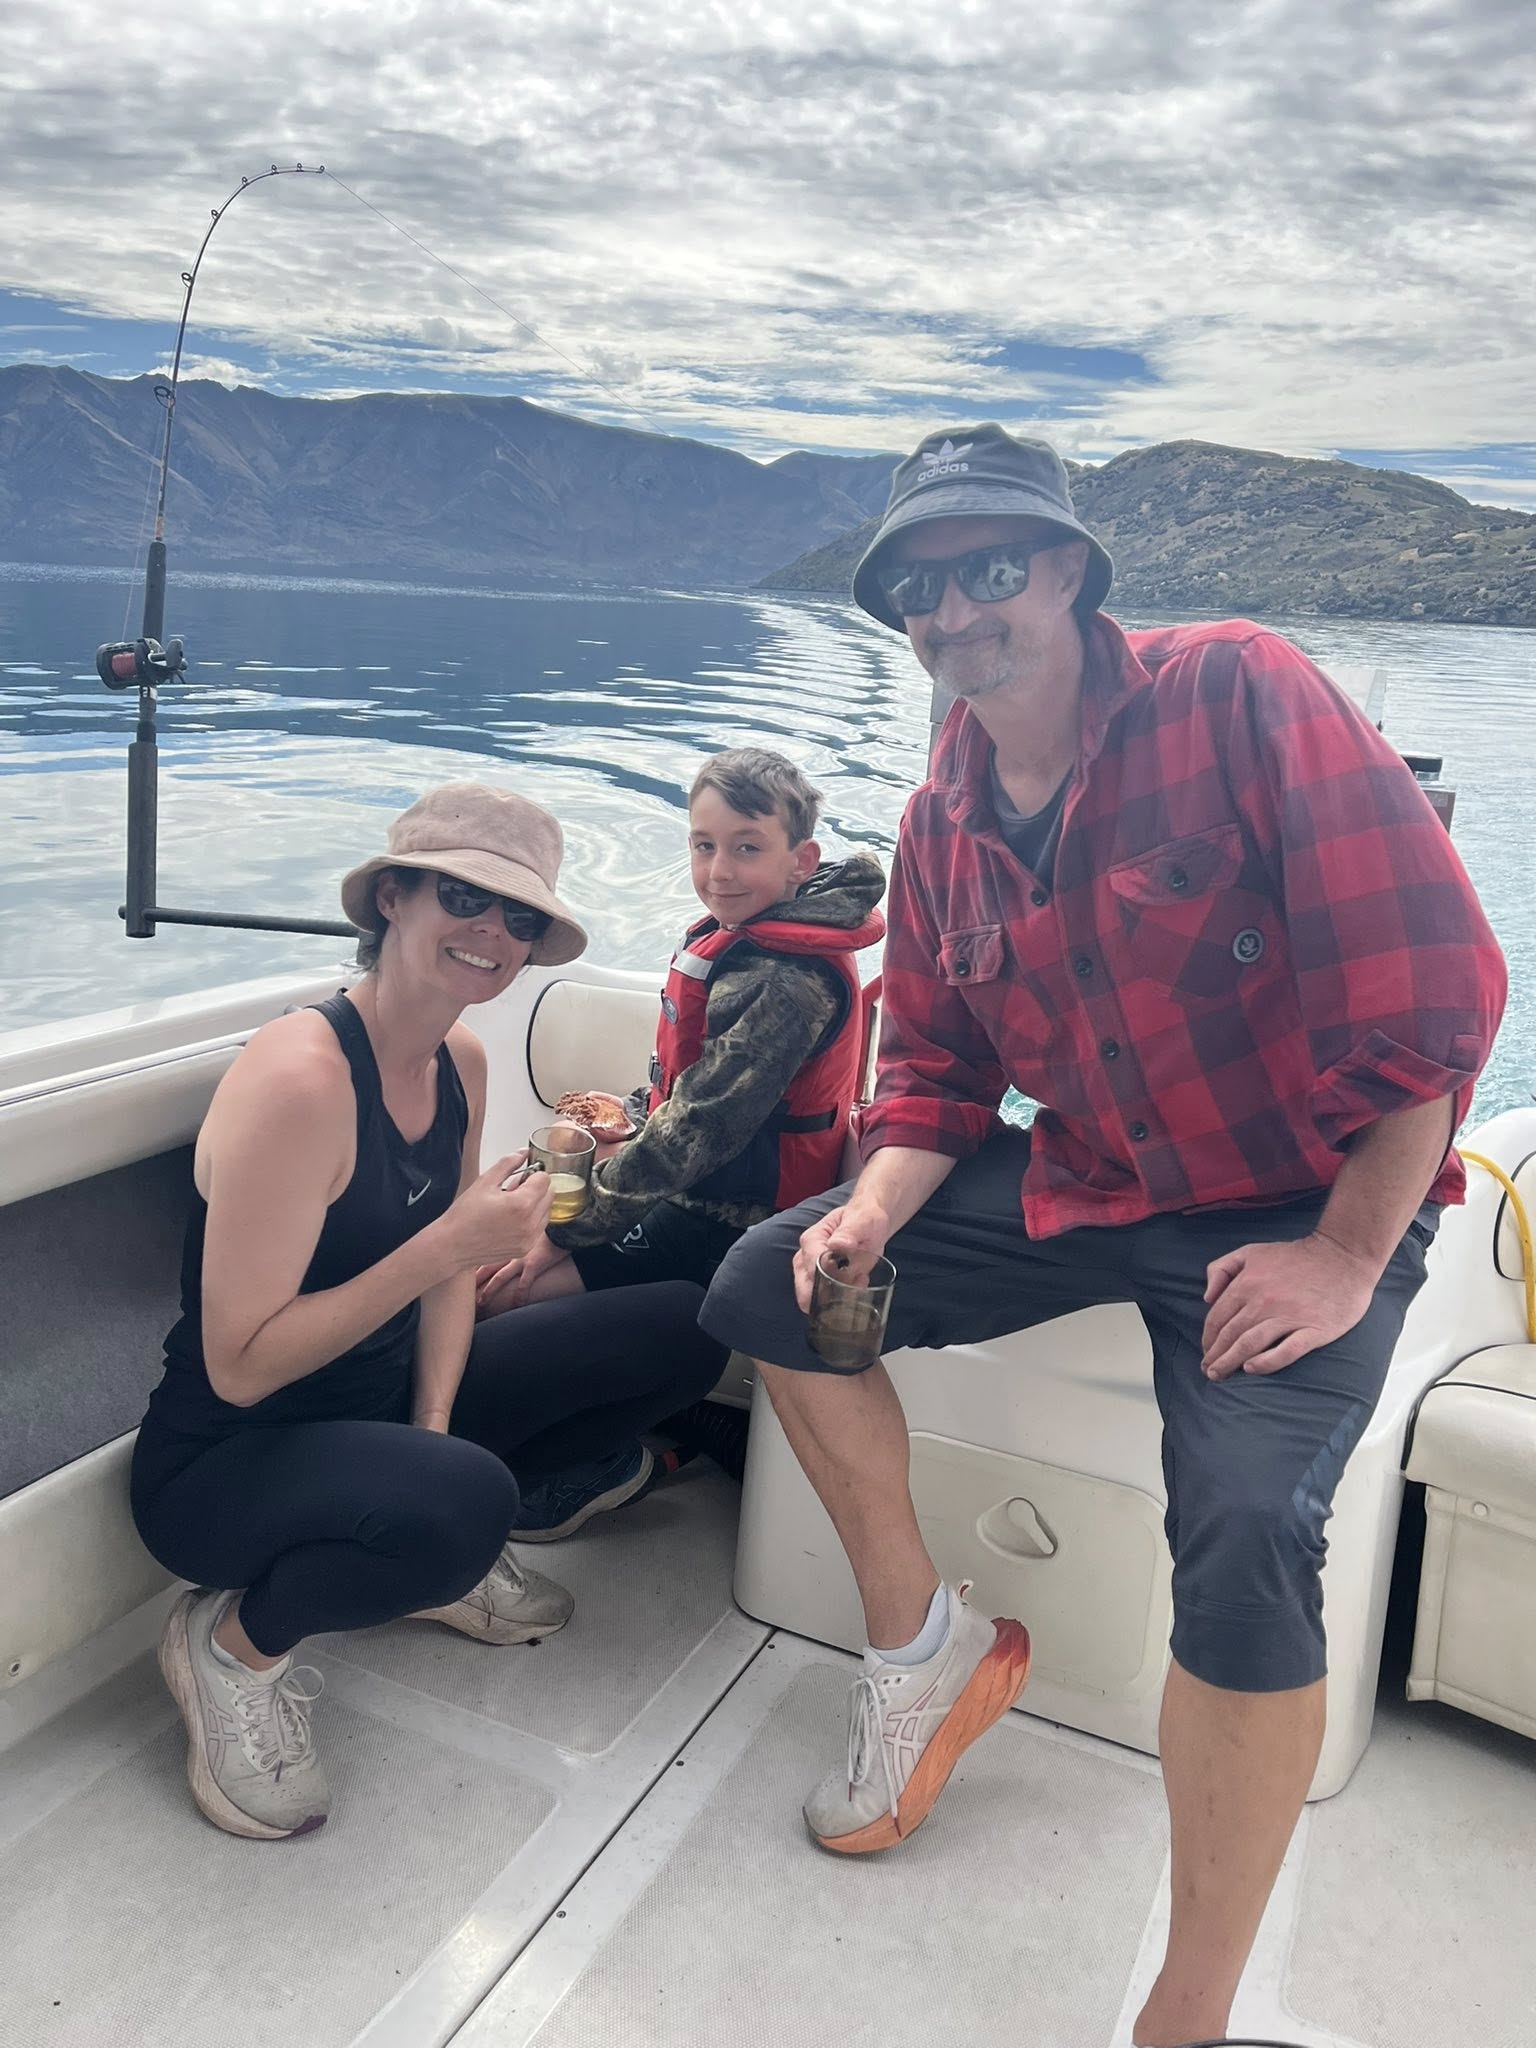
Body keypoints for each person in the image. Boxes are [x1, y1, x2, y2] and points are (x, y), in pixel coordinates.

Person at [699, 424, 1507, 2047]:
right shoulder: (939, 822)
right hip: (1093, 1180)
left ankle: (1182, 2017)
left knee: (1246, 1528)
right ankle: (924, 1647)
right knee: (766, 1287)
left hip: (1304, 1191)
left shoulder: (1241, 689)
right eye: (920, 583)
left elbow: (1434, 999)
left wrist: (1347, 1253)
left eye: (990, 564)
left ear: (1068, 570)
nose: (954, 606)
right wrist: (862, 1209)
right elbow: (931, 1073)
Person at [131, 783, 726, 1842]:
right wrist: (447, 1246)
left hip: (378, 1395)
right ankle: (232, 1649)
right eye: (464, 895)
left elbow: (455, 1278)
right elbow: (240, 1364)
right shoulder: (300, 1079)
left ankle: (423, 1525)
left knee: (684, 1319)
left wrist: (432, 1428)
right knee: (460, 1503)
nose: (493, 932)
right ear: (393, 898)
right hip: (229, 1459)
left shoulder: (459, 1060)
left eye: (520, 916)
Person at [474, 749, 884, 1475]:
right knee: (500, 1246)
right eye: (704, 845)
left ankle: (551, 1475)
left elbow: (700, 1129)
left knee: (509, 1290)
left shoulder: (784, 982)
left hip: (729, 1225)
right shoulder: (756, 941)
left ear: (801, 861)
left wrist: (568, 1232)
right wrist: (630, 1121)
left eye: (746, 848)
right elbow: (688, 1097)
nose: (719, 870)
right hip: (697, 1196)